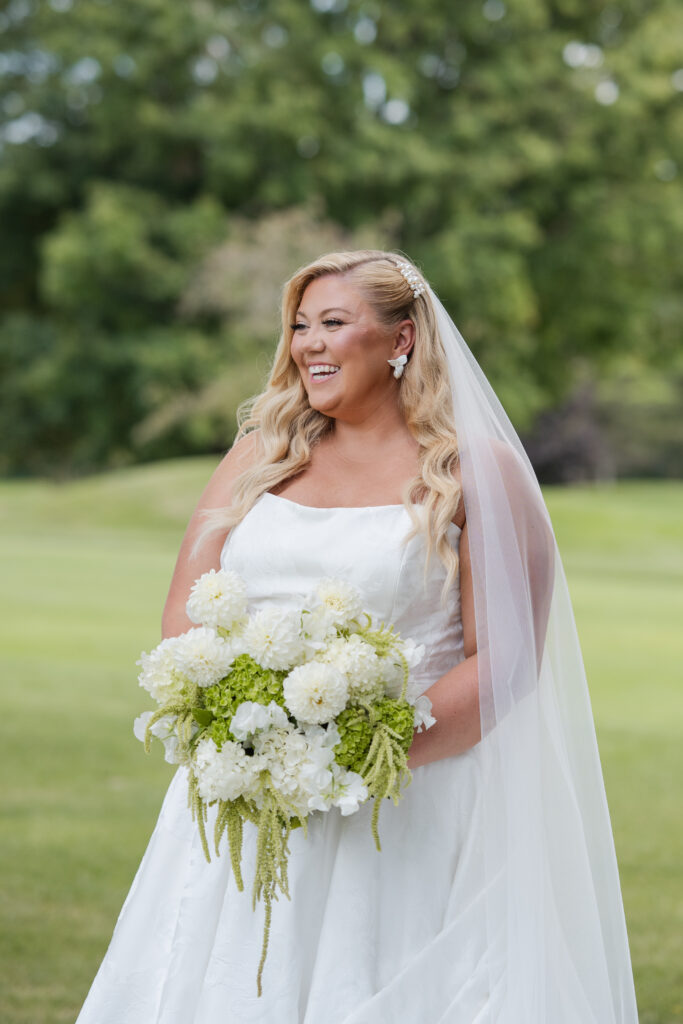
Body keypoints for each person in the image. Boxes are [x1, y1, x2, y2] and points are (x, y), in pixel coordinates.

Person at [75, 250, 638, 1023]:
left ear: (401, 338)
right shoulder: (261, 454)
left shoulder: (475, 471)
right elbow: (186, 609)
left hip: (403, 807)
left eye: (333, 323)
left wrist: (349, 756)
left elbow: (504, 663)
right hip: (246, 795)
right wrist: (238, 732)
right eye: (300, 326)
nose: (308, 343)